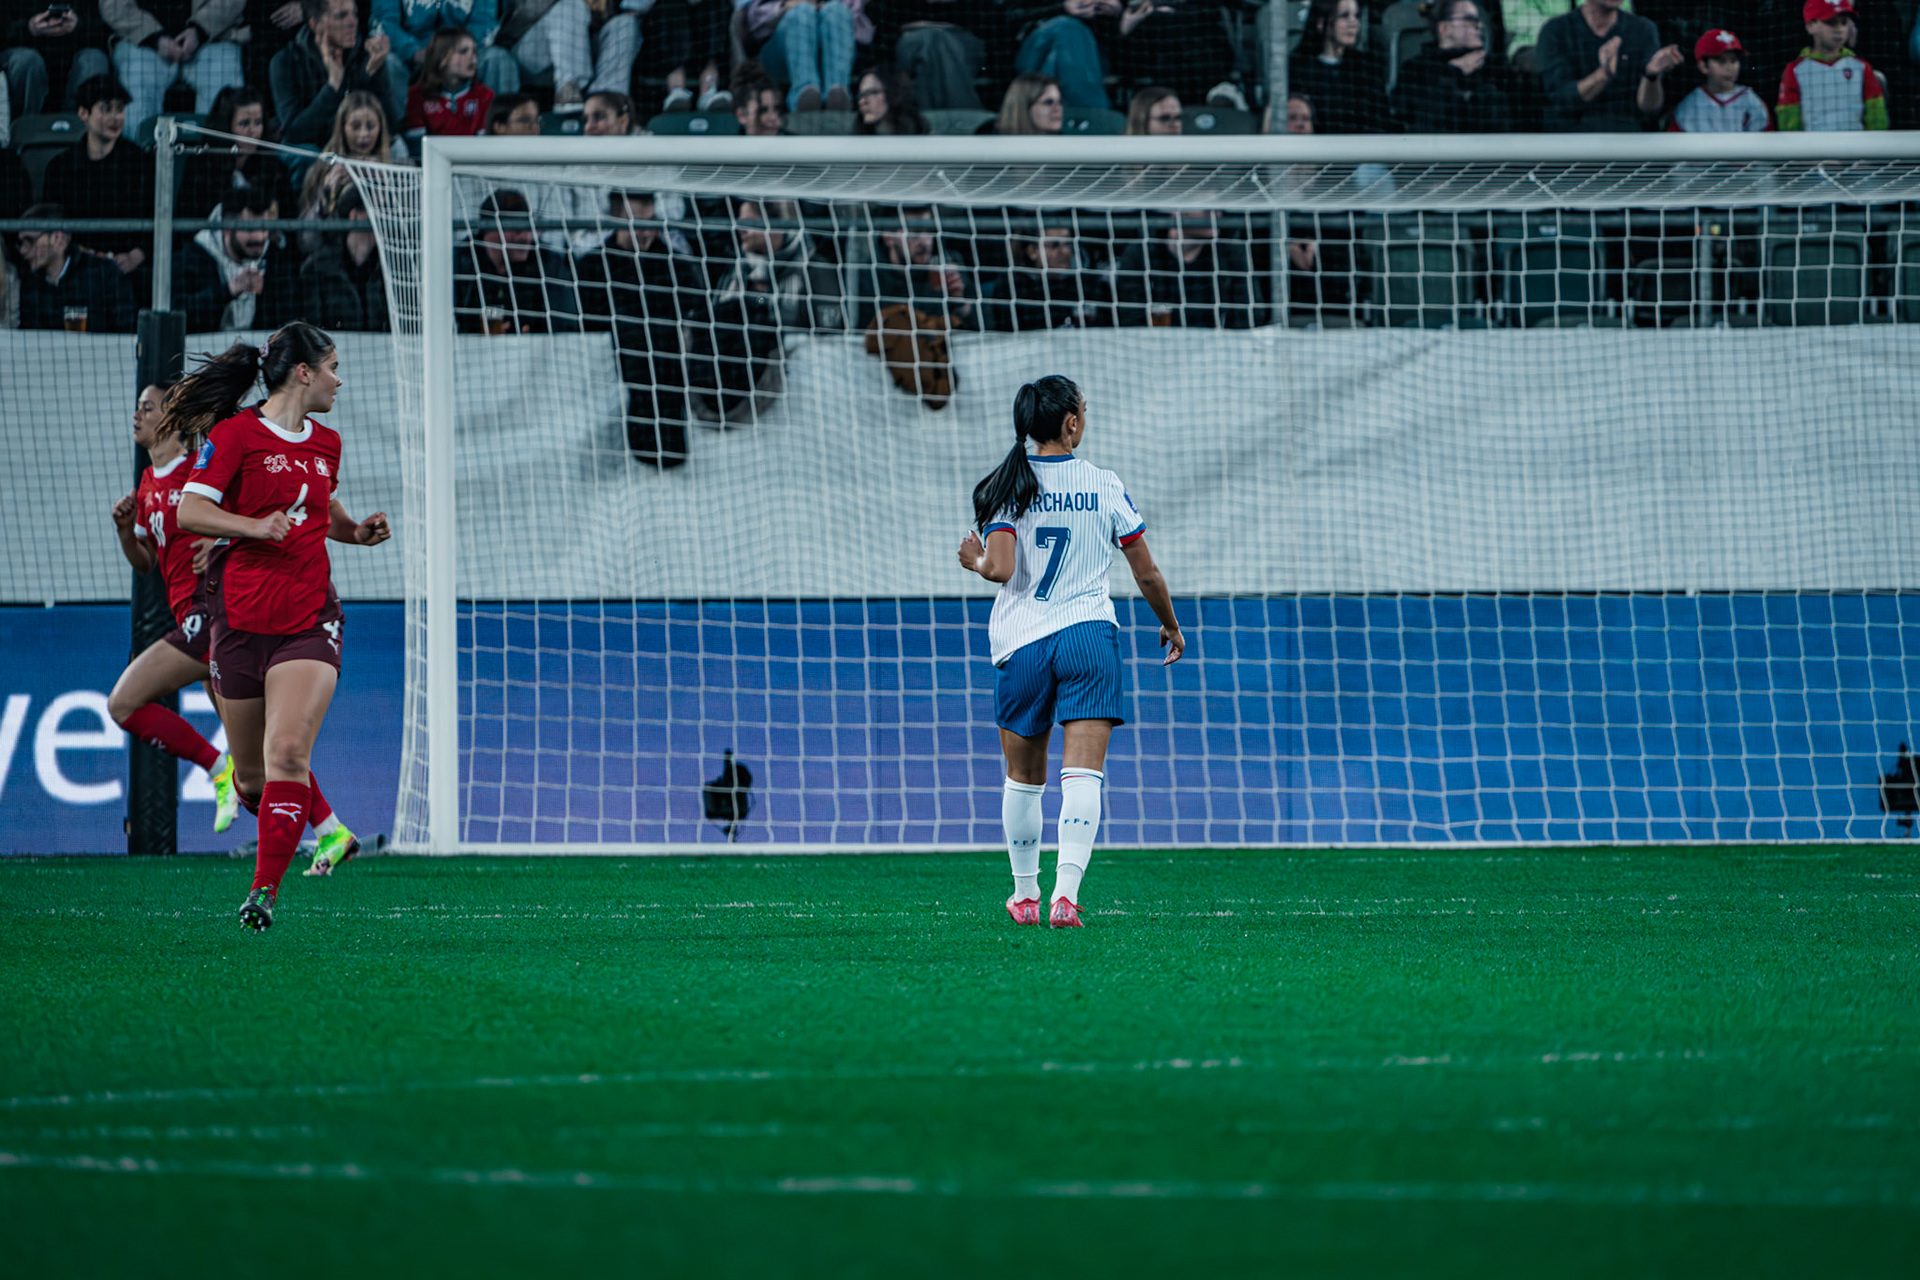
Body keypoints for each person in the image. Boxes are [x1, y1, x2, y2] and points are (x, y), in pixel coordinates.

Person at [176, 323, 392, 929]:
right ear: (303, 372)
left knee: (289, 752)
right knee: (252, 779)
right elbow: (191, 510)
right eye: (332, 367)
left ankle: (263, 893)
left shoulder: (328, 443)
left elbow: (322, 511)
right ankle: (307, 828)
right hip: (239, 622)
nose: (338, 380)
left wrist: (356, 532)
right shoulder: (235, 434)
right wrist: (252, 526)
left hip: (309, 620)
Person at [956, 375, 1183, 928]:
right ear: (1071, 423)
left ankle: (1025, 897)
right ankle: (1066, 896)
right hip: (1088, 637)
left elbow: (1000, 568)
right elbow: (1147, 572)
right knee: (1082, 775)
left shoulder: (1009, 485)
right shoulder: (1103, 484)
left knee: (1023, 778)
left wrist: (975, 559)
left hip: (1024, 642)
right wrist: (1170, 625)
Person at [106, 383, 248, 836]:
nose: (137, 415)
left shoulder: (197, 471)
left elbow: (246, 517)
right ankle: (326, 827)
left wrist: (220, 540)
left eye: (147, 408)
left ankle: (217, 767)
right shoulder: (148, 482)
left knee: (123, 703)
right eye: (137, 407)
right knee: (255, 755)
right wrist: (125, 532)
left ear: (170, 419)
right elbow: (146, 562)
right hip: (190, 614)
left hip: (213, 612)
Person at [576, 189, 704, 465]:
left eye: (650, 224)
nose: (645, 233)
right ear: (617, 222)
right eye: (636, 225)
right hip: (616, 373)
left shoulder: (674, 264)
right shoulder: (592, 266)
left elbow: (694, 309)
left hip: (666, 374)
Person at [39, 74, 152, 275]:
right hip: (76, 267)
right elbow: (52, 225)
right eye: (106, 109)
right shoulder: (60, 167)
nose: (115, 117)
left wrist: (136, 255)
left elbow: (155, 218)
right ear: (84, 113)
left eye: (120, 109)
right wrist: (75, 252)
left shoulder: (141, 163)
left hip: (128, 270)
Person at [270, 0, 405, 149]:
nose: (352, 22)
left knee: (398, 148)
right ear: (315, 24)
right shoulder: (286, 61)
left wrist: (373, 74)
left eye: (354, 14)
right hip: (314, 151)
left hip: (358, 147)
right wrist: (333, 87)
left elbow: (391, 127)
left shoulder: (367, 56)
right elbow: (294, 133)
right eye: (341, 16)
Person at [101, 0, 245, 135]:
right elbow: (113, 5)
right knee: (136, 82)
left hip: (214, 37)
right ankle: (140, 151)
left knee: (224, 80)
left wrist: (199, 30)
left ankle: (215, 152)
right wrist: (153, 37)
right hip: (142, 41)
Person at [1536, 0, 1682, 131]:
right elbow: (1562, 98)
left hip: (1629, 137)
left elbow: (1650, 108)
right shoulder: (1556, 30)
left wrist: (1651, 75)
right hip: (1571, 138)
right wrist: (1604, 74)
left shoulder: (1643, 29)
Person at [453, 188, 583, 333]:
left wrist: (530, 333)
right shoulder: (458, 262)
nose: (525, 237)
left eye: (528, 228)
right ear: (489, 229)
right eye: (516, 229)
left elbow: (565, 325)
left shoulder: (548, 263)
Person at [176, 186, 301, 331]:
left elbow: (288, 319)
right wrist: (229, 290)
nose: (260, 237)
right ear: (227, 229)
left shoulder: (274, 260)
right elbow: (180, 313)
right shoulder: (192, 258)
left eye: (264, 227)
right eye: (250, 229)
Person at [1115, 208, 1256, 328]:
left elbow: (1248, 318)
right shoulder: (1140, 255)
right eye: (1207, 210)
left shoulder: (1231, 255)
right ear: (1177, 212)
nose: (1217, 215)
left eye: (1218, 210)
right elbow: (1129, 319)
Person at [297, 91, 398, 254]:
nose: (364, 134)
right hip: (332, 258)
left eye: (370, 126)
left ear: (380, 127)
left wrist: (384, 187)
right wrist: (326, 196)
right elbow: (307, 242)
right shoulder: (321, 169)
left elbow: (405, 236)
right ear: (342, 128)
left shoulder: (397, 170)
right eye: (355, 127)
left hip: (381, 260)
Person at [487, 0, 643, 105]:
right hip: (527, 46)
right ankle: (569, 90)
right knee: (571, 5)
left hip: (584, 43)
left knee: (625, 25)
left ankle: (606, 103)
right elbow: (526, 11)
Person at [176, 84, 295, 220]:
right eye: (244, 123)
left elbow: (288, 219)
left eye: (258, 122)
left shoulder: (274, 168)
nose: (253, 131)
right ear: (226, 126)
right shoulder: (201, 167)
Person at [13, 202, 137, 331]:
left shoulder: (104, 274)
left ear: (57, 239)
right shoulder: (29, 284)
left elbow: (126, 328)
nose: (23, 250)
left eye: (29, 241)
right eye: (21, 243)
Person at [986, 214, 1116, 331]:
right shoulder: (1012, 285)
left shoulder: (1089, 282)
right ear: (1032, 252)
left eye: (1068, 243)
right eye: (1055, 245)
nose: (1065, 251)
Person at [1777, 0, 1888, 131]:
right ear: (1811, 26)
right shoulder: (1795, 71)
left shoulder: (1861, 67)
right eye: (1830, 22)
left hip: (1856, 143)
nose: (1839, 29)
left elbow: (1877, 117)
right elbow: (1789, 123)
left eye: (1844, 23)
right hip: (1812, 144)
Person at [742, 0, 870, 112]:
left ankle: (837, 93)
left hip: (830, 42)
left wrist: (823, 8)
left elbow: (856, 16)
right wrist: (783, 8)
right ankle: (803, 94)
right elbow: (754, 21)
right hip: (780, 48)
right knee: (801, 12)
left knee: (837, 11)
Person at [1286, 0, 1392, 134]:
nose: (1353, 23)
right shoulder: (1298, 67)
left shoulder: (1367, 68)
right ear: (1320, 22)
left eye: (1356, 16)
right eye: (1344, 15)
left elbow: (1381, 120)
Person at [371, 0, 517, 90]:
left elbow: (485, 22)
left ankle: (496, 128)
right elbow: (384, 23)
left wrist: (457, 52)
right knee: (388, 63)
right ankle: (396, 130)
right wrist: (415, 52)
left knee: (497, 59)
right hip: (411, 56)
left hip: (463, 51)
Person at [2, 0, 112, 119]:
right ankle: (23, 126)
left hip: (76, 52)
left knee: (93, 61)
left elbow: (104, 30)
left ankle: (77, 127)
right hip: (24, 52)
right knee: (27, 61)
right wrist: (28, 27)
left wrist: (78, 25)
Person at [298, 185, 389, 330]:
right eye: (378, 210)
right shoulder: (317, 268)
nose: (385, 218)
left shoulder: (389, 267)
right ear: (355, 215)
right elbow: (312, 327)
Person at [1013, 0, 1118, 110]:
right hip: (1031, 51)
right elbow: (1011, 14)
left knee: (1057, 61)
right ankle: (1093, 114)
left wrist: (1116, 10)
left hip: (1089, 57)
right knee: (1068, 28)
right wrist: (1062, 7)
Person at [885, 0, 986, 110]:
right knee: (929, 41)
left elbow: (977, 22)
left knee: (939, 44)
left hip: (960, 43)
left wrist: (929, 26)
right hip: (913, 43)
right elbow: (895, 24)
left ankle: (928, 115)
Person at [1668, 28, 1770, 131]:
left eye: (1733, 60)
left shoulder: (1751, 101)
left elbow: (1768, 138)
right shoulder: (1690, 104)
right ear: (1703, 66)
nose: (1729, 68)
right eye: (1721, 61)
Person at [402, 26, 494, 139]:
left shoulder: (485, 95)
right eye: (463, 51)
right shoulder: (416, 96)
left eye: (474, 52)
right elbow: (417, 144)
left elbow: (484, 144)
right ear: (441, 58)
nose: (473, 58)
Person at [641, 0, 730, 111]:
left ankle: (708, 90)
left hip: (702, 22)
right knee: (672, 5)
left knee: (716, 4)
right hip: (661, 23)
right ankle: (676, 90)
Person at [853, 65, 927, 133]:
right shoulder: (853, 139)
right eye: (861, 95)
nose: (862, 101)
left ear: (892, 94)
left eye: (872, 92)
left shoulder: (922, 136)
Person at [995, 71, 1064, 134]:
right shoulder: (996, 142)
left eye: (1060, 102)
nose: (1058, 109)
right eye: (1048, 102)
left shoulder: (1064, 141)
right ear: (1024, 107)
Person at [731, 58, 786, 134]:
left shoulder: (795, 140)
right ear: (742, 115)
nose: (773, 117)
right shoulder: (722, 141)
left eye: (777, 110)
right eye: (763, 111)